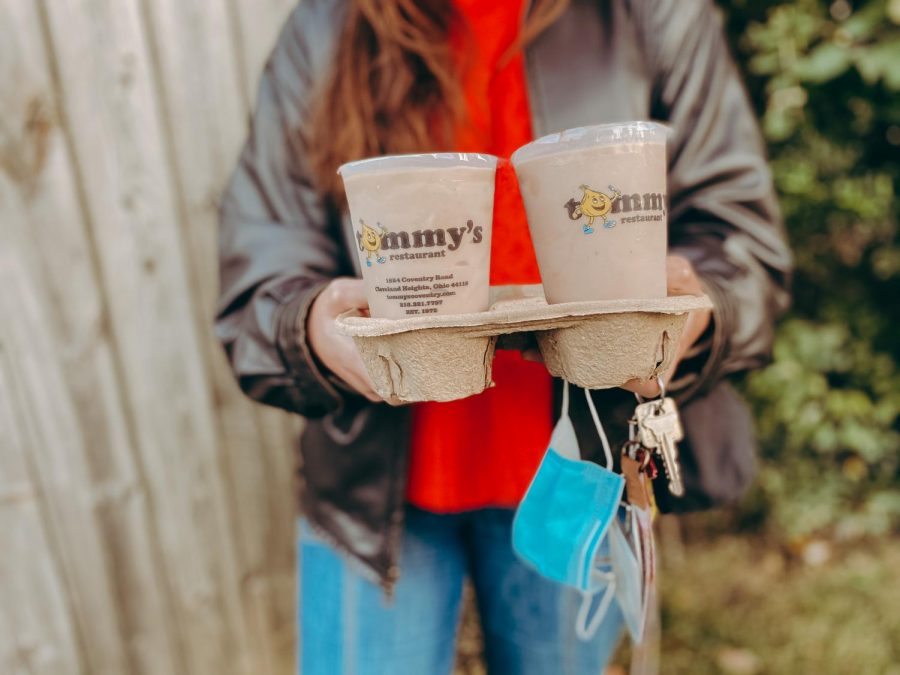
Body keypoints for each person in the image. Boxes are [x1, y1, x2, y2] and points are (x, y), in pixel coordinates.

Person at [215, 0, 792, 672]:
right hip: (371, 493)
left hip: (575, 469)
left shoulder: (650, 13)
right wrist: (309, 327)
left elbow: (741, 245)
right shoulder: (327, 22)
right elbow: (263, 273)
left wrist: (689, 315)